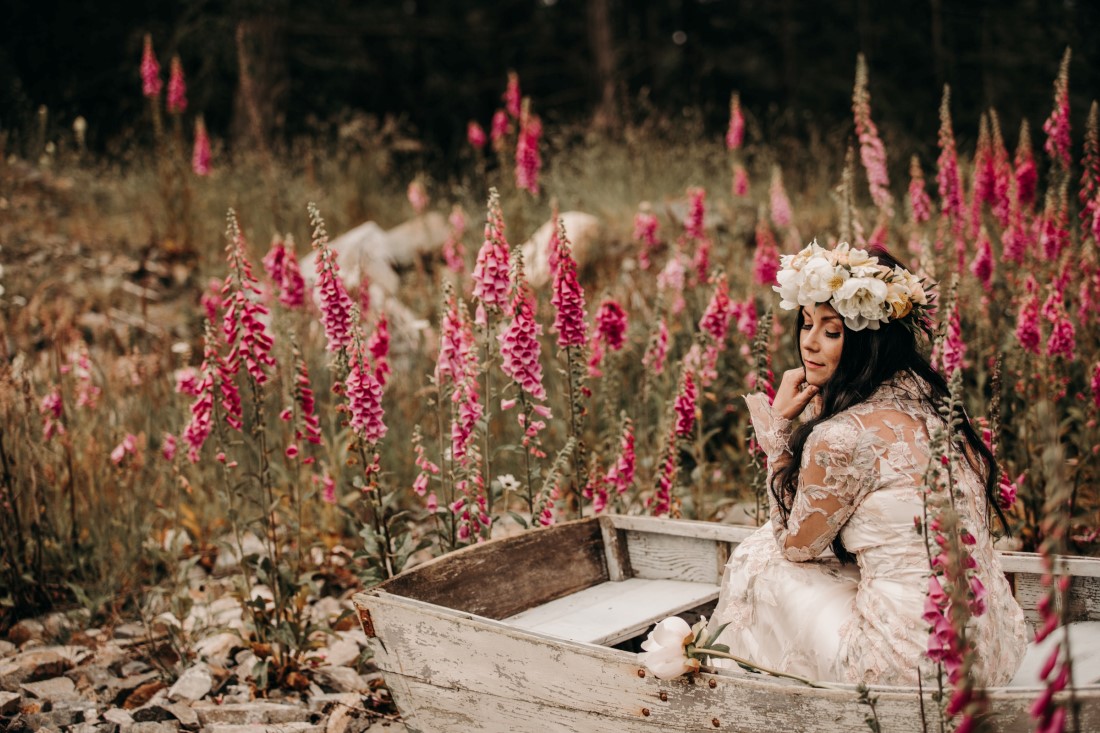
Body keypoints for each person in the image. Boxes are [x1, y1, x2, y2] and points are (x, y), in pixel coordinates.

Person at [710, 240, 1026, 686]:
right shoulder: (934, 404)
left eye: (832, 331)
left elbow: (796, 545)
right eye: (805, 324)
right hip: (986, 652)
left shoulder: (840, 437)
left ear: (868, 339)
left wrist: (778, 433)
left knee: (759, 557)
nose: (810, 344)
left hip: (909, 666)